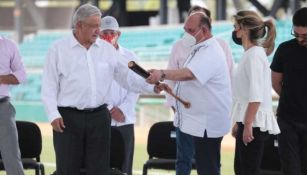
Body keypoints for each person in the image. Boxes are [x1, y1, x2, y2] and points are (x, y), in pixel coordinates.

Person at [41, 4, 159, 175]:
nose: (99, 30)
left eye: (99, 25)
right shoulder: (58, 50)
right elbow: (49, 86)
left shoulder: (107, 50)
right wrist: (53, 114)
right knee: (67, 169)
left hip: (99, 118)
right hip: (68, 119)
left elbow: (127, 78)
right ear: (80, 25)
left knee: (99, 170)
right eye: (94, 26)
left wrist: (152, 86)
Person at [147, 12, 232, 175]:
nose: (187, 34)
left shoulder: (211, 50)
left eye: (191, 30)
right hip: (197, 121)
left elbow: (188, 74)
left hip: (207, 123)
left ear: (205, 31)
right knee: (196, 164)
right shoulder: (199, 48)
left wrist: (162, 73)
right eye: (185, 30)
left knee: (208, 168)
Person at [230, 10, 280, 175]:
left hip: (255, 123)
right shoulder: (250, 54)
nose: (234, 31)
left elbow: (256, 95)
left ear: (244, 29)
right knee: (241, 169)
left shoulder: (255, 55)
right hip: (249, 120)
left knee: (248, 170)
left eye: (236, 27)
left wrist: (248, 124)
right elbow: (245, 95)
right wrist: (240, 122)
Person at [99, 16, 139, 175]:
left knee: (125, 166)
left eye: (112, 32)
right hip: (102, 121)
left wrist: (122, 110)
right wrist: (109, 109)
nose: (108, 36)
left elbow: (136, 86)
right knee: (101, 166)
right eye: (104, 32)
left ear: (119, 34)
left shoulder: (131, 57)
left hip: (125, 121)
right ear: (99, 34)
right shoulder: (93, 57)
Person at [270, 7, 307, 175]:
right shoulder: (284, 49)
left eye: (305, 36)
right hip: (287, 121)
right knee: (291, 170)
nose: (300, 39)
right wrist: (292, 98)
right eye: (296, 34)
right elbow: (276, 82)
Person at [0, 35, 26, 175]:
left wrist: (1, 78)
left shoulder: (8, 44)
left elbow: (21, 75)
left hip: (2, 108)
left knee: (12, 159)